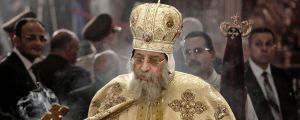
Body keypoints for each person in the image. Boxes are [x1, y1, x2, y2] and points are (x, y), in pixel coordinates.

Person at [86, 2, 235, 120]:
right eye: (138, 59)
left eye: (154, 60)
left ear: (168, 62)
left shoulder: (201, 94)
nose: (144, 67)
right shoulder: (111, 93)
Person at [0, 18, 57, 119]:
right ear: (16, 40)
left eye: (42, 38)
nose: (38, 43)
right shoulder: (4, 70)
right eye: (31, 38)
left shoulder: (33, 67)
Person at [32, 29, 92, 119]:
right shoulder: (78, 74)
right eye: (76, 49)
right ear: (68, 48)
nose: (77, 55)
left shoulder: (33, 70)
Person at [244, 27, 298, 120]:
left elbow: (292, 113)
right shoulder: (239, 75)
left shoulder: (283, 76)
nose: (264, 48)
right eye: (258, 44)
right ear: (249, 48)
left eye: (268, 44)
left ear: (274, 47)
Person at [77, 13, 123, 84]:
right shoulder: (110, 60)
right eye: (113, 32)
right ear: (106, 39)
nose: (115, 36)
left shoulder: (81, 63)